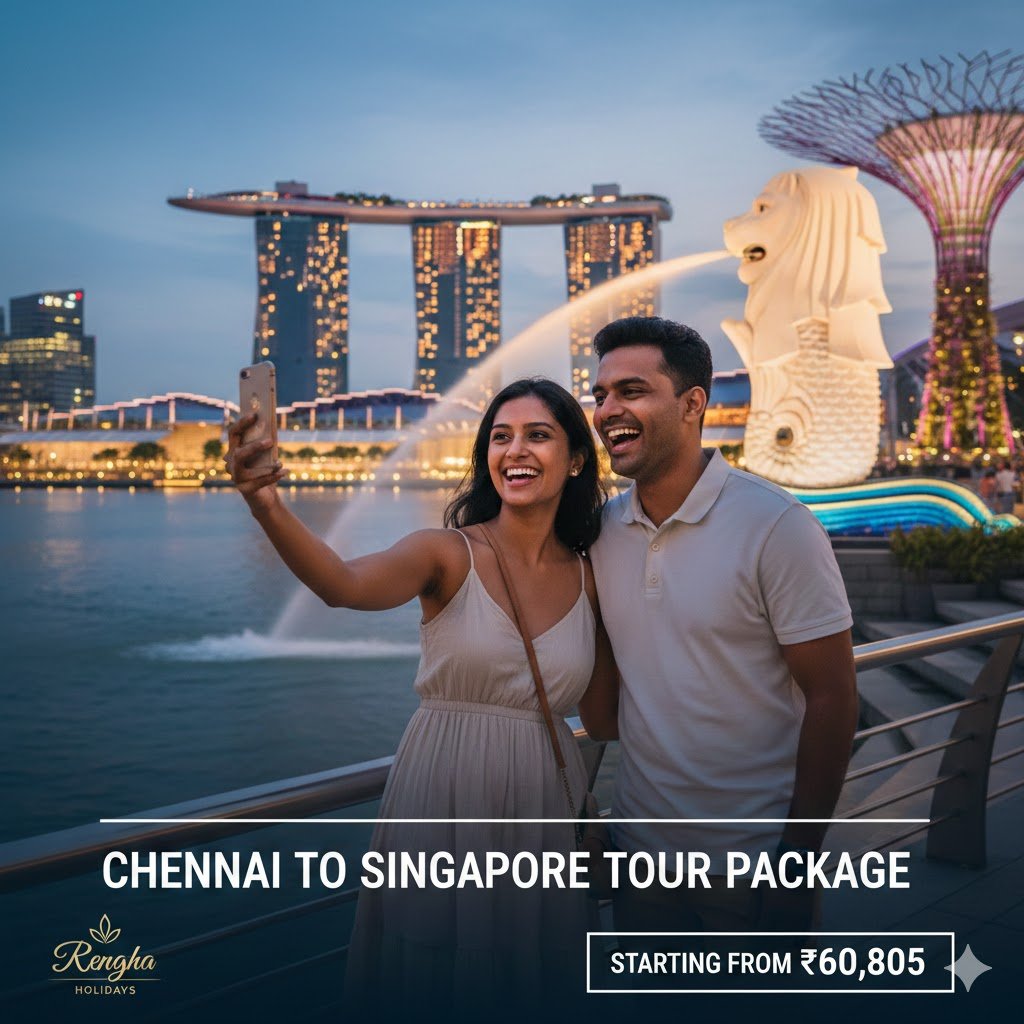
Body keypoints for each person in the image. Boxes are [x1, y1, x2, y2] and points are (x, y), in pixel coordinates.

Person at [225, 377, 617, 1016]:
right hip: (444, 790)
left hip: (544, 802)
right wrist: (264, 500)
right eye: (500, 436)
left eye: (538, 435)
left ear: (575, 458)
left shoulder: (593, 577)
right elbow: (342, 585)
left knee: (530, 967)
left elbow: (602, 715)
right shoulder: (446, 553)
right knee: (431, 967)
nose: (515, 450)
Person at [587, 316, 858, 944]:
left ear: (692, 404)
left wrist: (798, 862)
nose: (606, 410)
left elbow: (833, 696)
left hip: (753, 860)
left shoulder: (776, 525)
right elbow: (602, 711)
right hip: (639, 856)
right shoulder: (600, 533)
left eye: (631, 391)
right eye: (600, 394)